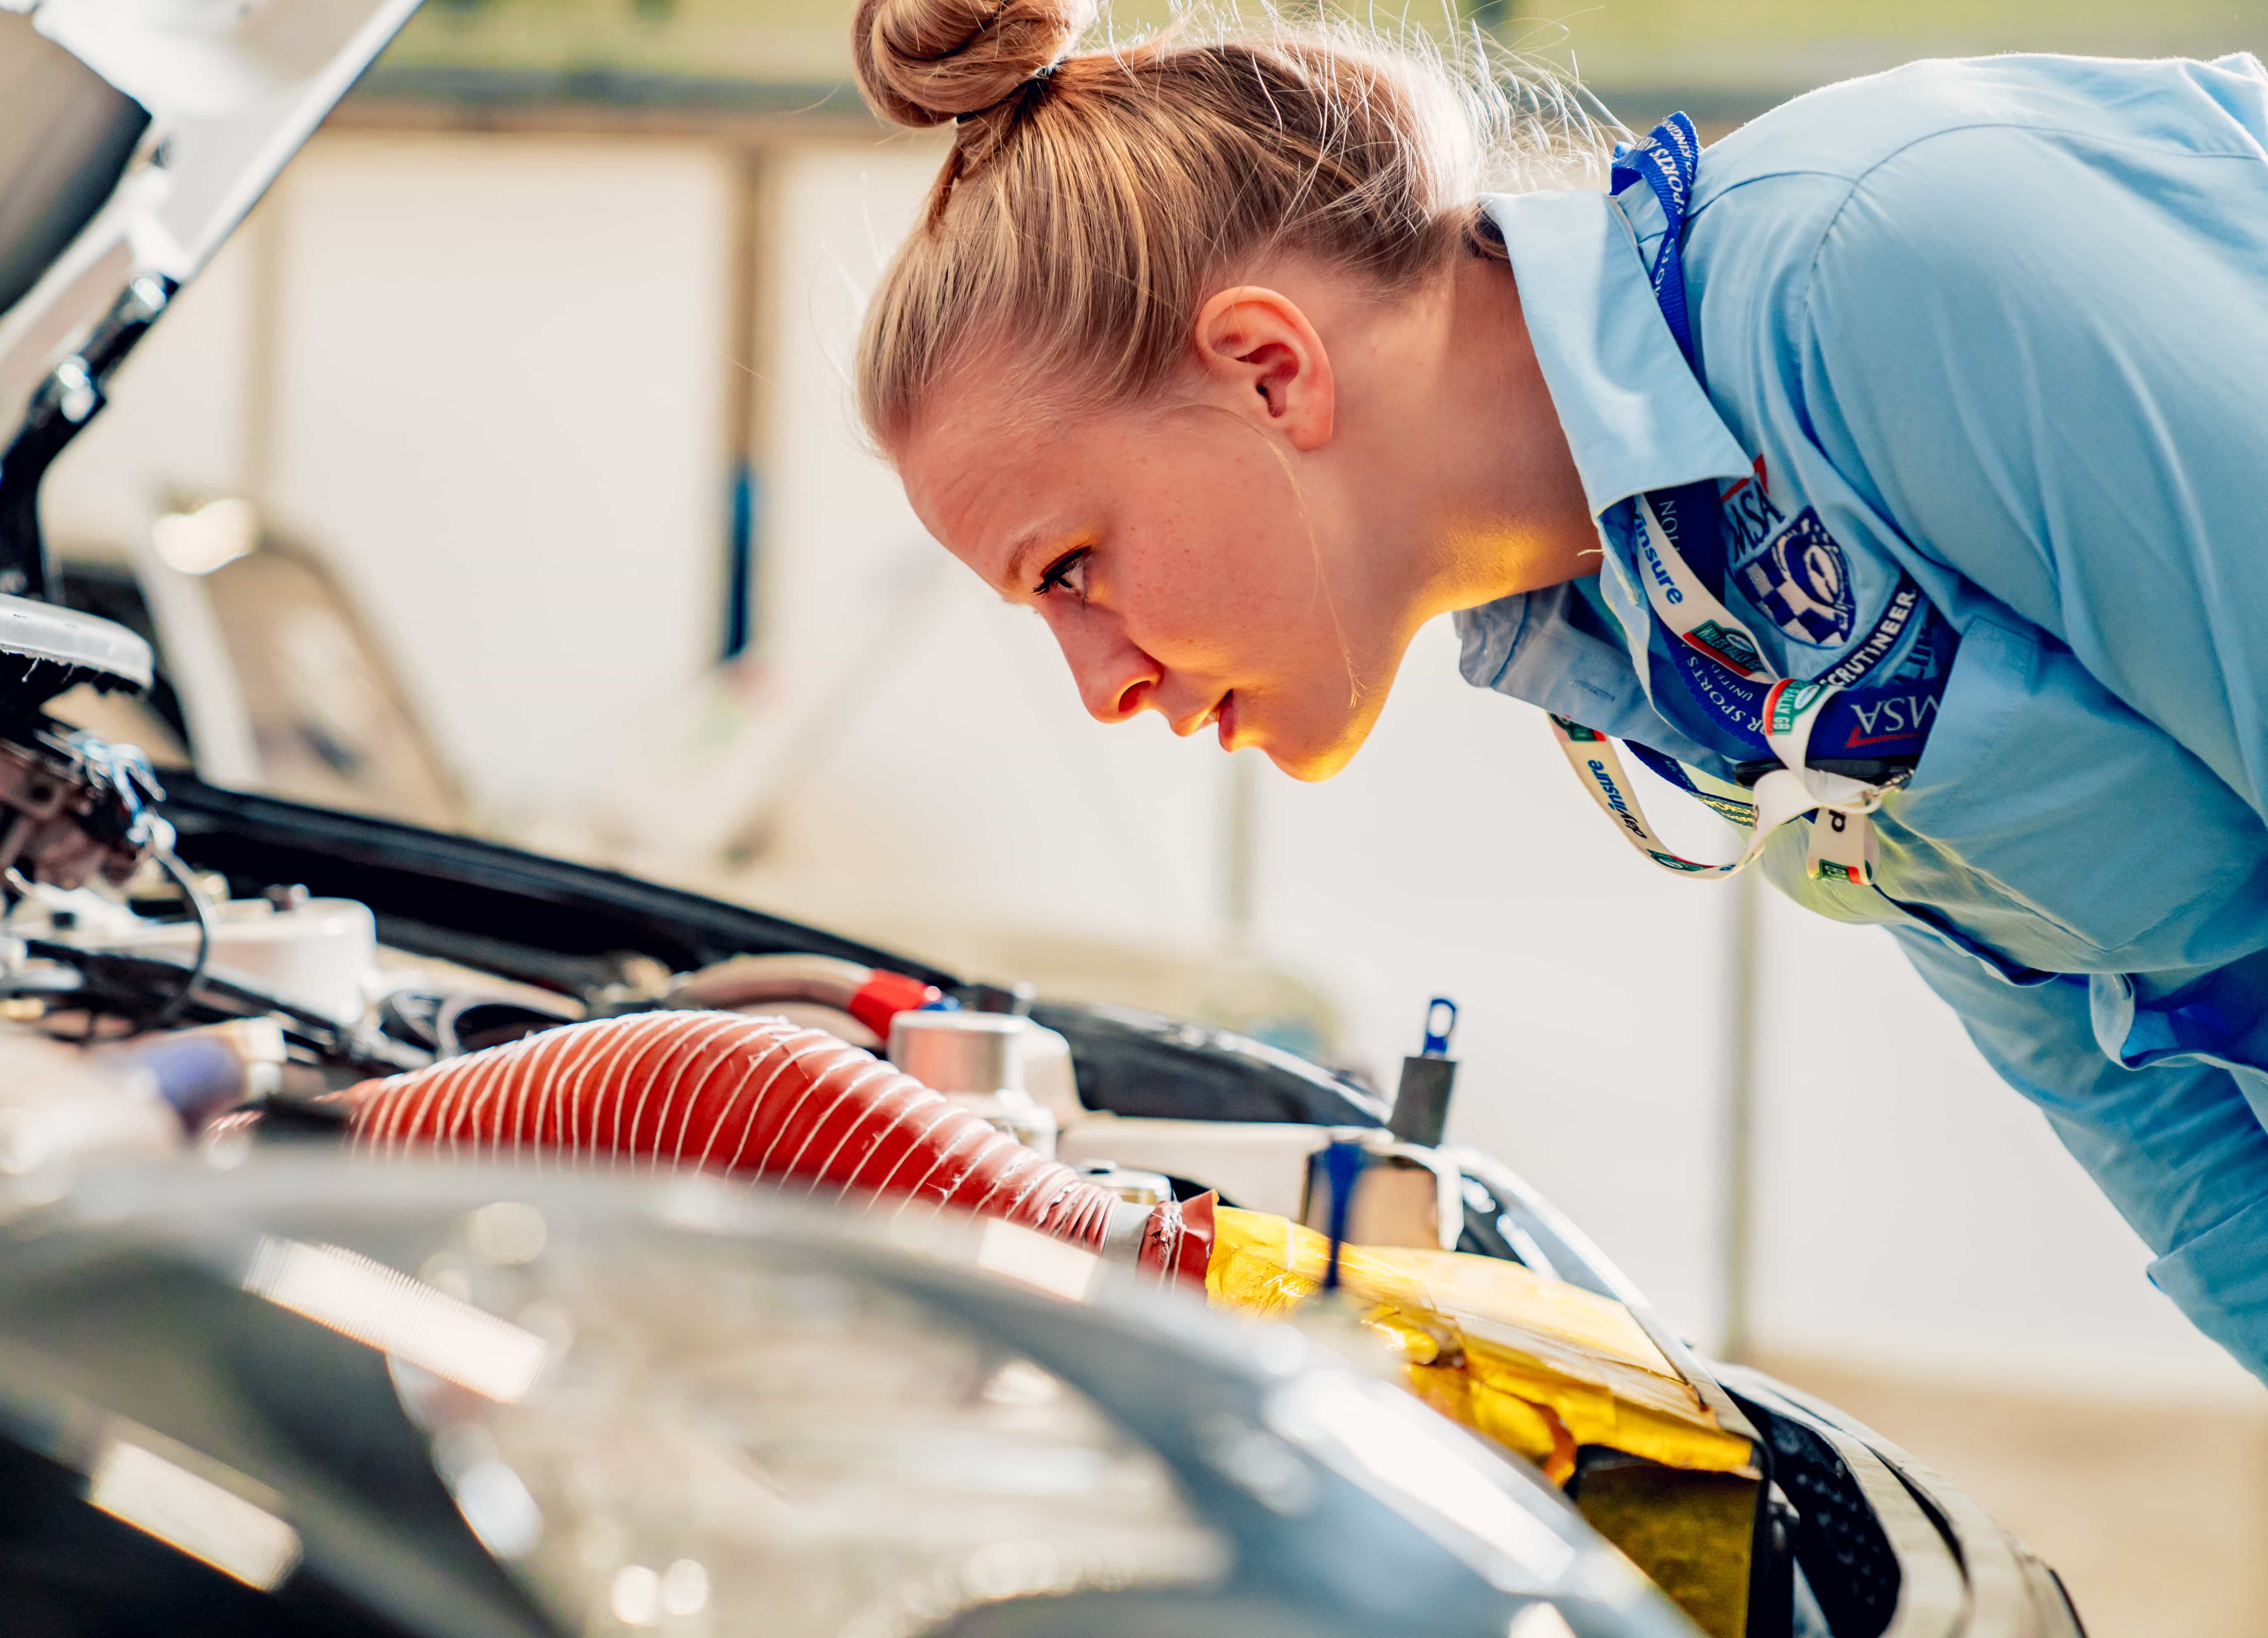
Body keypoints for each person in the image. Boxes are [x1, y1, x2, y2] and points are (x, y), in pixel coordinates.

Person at [842, 0, 2268, 1385]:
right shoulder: (1670, 636)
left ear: (1269, 372)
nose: (1097, 687)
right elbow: (2147, 1100)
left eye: (1072, 569)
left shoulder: (1888, 267)